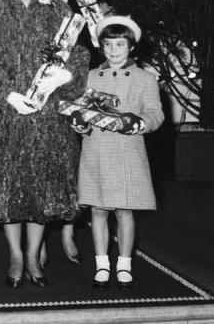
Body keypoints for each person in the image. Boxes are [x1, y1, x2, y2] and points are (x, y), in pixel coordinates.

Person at [0, 0, 89, 289]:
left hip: (45, 114)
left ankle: (34, 254)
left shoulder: (58, 10)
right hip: (4, 113)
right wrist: (8, 94)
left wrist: (63, 77)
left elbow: (77, 55)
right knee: (8, 187)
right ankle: (15, 256)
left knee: (40, 186)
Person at [75, 15, 164, 289]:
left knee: (125, 211)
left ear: (131, 47)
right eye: (109, 45)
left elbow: (155, 113)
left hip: (127, 151)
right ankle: (102, 264)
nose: (114, 51)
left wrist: (140, 123)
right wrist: (79, 122)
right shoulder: (90, 76)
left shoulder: (145, 78)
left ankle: (124, 265)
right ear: (101, 46)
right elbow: (82, 111)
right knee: (98, 211)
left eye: (120, 45)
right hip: (97, 151)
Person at [31, 0, 95, 265]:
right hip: (40, 82)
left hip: (75, 80)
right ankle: (38, 239)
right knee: (43, 157)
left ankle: (70, 229)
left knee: (74, 158)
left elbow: (97, 36)